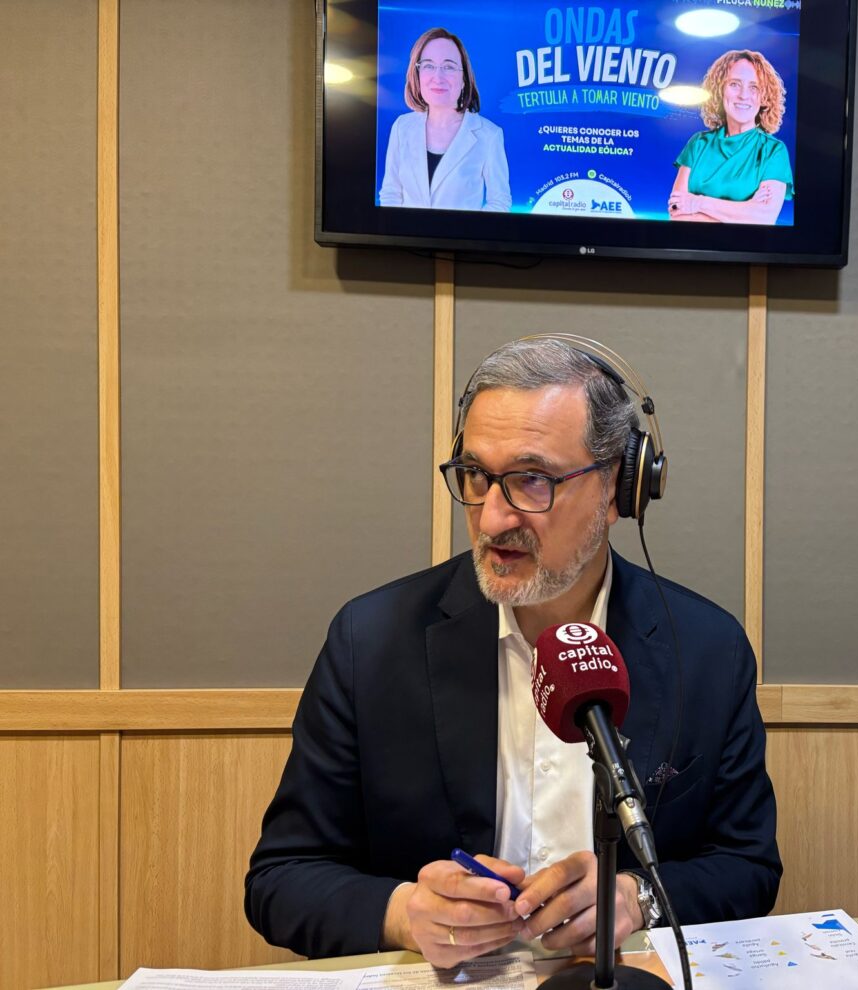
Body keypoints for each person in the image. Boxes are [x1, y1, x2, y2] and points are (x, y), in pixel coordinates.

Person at [245, 337, 780, 968]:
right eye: (476, 475)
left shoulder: (708, 650)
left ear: (619, 488)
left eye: (532, 479)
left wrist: (636, 898)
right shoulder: (371, 641)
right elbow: (282, 877)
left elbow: (747, 867)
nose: (494, 519)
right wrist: (404, 913)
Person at [378, 27, 511, 212]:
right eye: (428, 66)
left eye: (448, 67)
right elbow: (390, 194)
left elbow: (499, 202)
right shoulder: (402, 127)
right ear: (417, 74)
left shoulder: (489, 135)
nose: (438, 77)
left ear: (464, 79)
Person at [668, 50, 794, 225]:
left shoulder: (773, 151)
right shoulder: (698, 144)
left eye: (754, 87)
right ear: (719, 90)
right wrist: (747, 210)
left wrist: (697, 203)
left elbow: (763, 218)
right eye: (734, 84)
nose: (743, 95)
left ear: (764, 96)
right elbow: (676, 213)